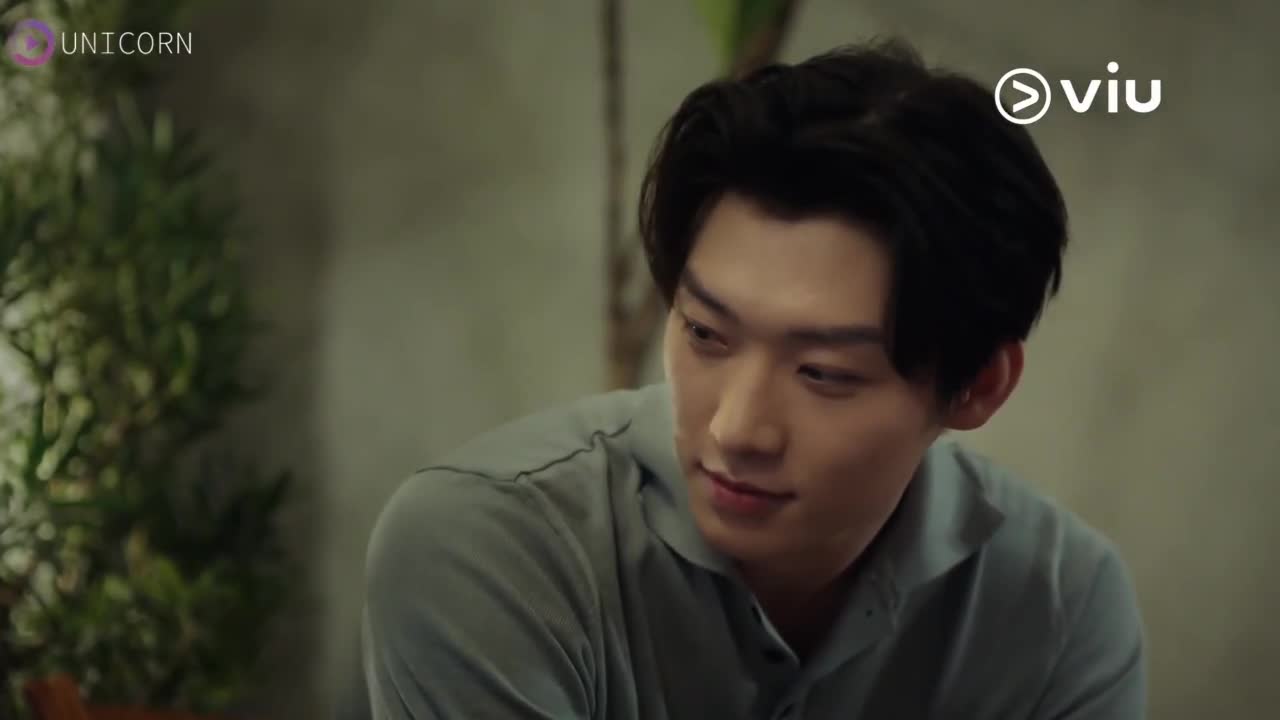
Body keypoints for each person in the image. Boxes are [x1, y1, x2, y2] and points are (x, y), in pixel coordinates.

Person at [359, 37, 1146, 719]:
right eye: (706, 334)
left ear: (978, 385)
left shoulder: (1061, 605)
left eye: (823, 373)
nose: (735, 429)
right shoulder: (493, 548)